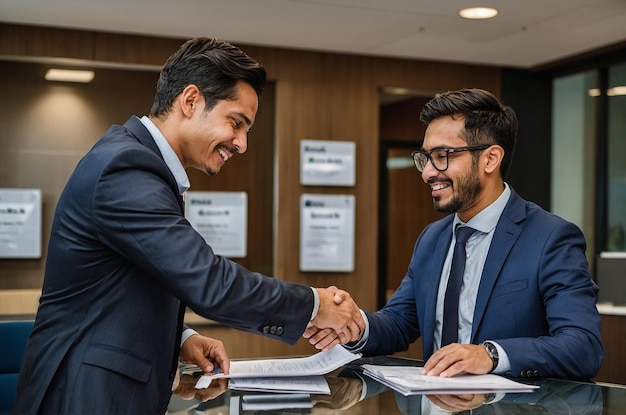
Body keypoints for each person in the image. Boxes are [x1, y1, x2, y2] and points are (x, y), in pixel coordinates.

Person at [14, 37, 364, 414]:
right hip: (80, 397)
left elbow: (127, 285)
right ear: (191, 100)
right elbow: (210, 282)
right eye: (236, 122)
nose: (242, 143)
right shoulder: (126, 168)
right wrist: (315, 305)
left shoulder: (140, 164)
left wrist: (180, 338)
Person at [306, 88, 603, 380]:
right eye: (425, 158)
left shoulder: (551, 238)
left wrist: (490, 355)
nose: (427, 173)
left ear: (490, 159)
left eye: (442, 155)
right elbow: (399, 322)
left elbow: (583, 346)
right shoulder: (432, 239)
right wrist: (356, 324)